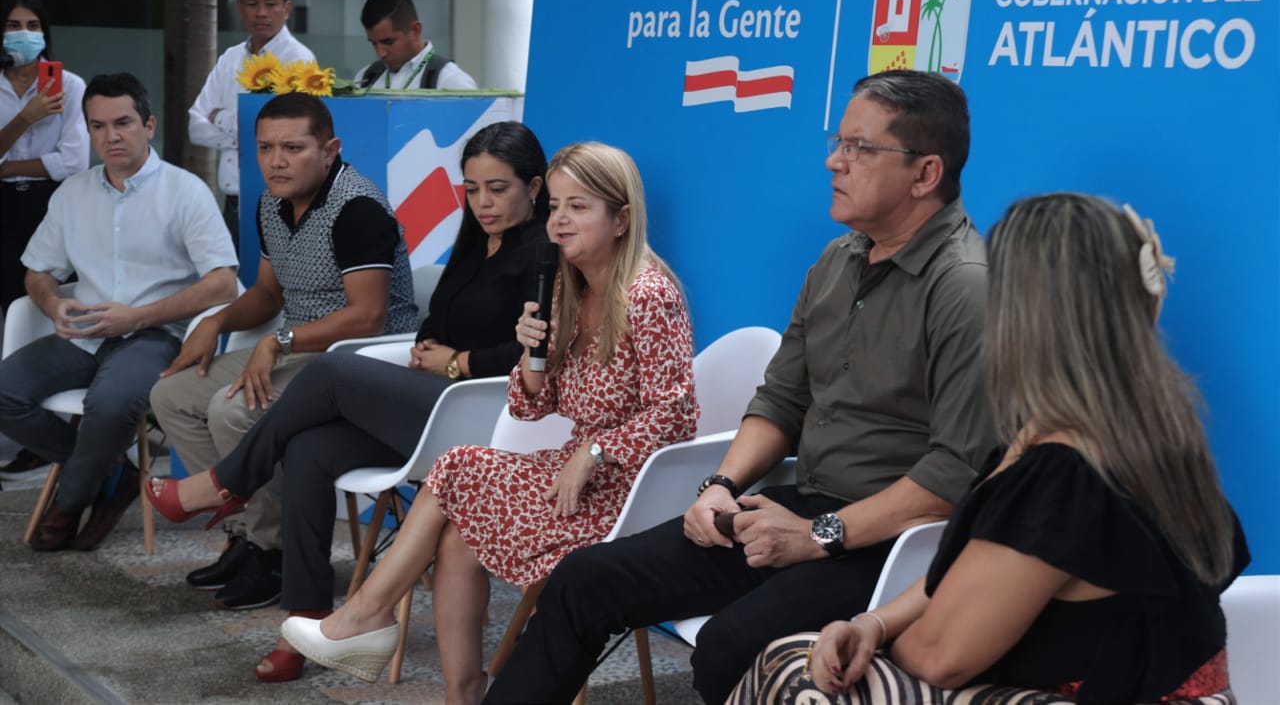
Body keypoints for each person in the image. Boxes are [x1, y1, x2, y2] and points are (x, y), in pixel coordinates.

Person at [483, 70, 996, 705]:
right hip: (795, 506)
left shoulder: (965, 287)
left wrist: (817, 536)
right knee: (584, 578)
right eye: (839, 140)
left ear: (925, 175)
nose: (834, 159)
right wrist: (719, 488)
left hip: (891, 542)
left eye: (860, 148)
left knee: (733, 643)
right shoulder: (837, 262)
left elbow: (956, 474)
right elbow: (779, 400)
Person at [727, 193, 1248, 705]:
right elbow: (968, 573)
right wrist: (874, 624)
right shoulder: (1146, 437)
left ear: (1024, 317)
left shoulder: (1064, 474)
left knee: (796, 670)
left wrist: (877, 651)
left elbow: (941, 657)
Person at [280, 141, 699, 704]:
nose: (559, 221)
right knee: (458, 537)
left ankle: (365, 617)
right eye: (554, 206)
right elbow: (530, 408)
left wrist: (594, 454)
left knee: (455, 466)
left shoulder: (648, 295)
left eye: (579, 207)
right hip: (576, 474)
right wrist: (533, 358)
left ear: (621, 218)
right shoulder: (567, 286)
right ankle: (460, 692)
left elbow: (677, 414)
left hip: (635, 489)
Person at [146, 120, 551, 682]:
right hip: (432, 400)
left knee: (335, 367)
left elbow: (538, 352)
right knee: (310, 449)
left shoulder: (545, 253)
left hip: (487, 417)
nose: (483, 202)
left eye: (498, 189)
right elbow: (437, 318)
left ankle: (225, 481)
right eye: (472, 188)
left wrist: (459, 362)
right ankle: (308, 620)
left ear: (535, 186)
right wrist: (436, 346)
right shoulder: (478, 237)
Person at [150, 91, 417, 610]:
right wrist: (216, 321)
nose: (276, 160)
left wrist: (277, 342)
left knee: (233, 409)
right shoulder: (271, 203)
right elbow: (269, 294)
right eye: (265, 147)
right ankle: (250, 537)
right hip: (298, 350)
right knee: (173, 395)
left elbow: (368, 316)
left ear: (330, 148)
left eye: (293, 147)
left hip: (363, 361)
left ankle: (271, 555)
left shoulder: (359, 209)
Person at [0, 72, 238, 551]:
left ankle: (68, 503)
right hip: (84, 331)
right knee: (4, 393)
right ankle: (112, 470)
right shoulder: (72, 194)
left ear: (148, 125)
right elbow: (37, 273)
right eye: (98, 126)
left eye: (123, 123)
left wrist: (140, 317)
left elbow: (223, 282)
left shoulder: (185, 191)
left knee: (108, 405)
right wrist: (52, 302)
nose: (111, 136)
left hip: (155, 336)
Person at [0, 0, 91, 484]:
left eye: (33, 24)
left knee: (45, 305)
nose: (25, 33)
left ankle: (45, 436)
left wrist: (6, 163)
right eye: (14, 24)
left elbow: (73, 162)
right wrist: (27, 118)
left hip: (49, 205)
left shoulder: (69, 85)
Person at [189, 0, 315, 248]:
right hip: (233, 203)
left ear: (287, 9)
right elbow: (195, 126)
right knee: (236, 289)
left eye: (270, 4)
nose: (261, 13)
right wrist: (248, 134)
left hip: (283, 202)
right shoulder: (231, 58)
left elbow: (291, 138)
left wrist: (220, 116)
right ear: (240, 8)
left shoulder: (299, 61)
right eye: (252, 4)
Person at [353, 0, 478, 91]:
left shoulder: (451, 81)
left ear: (415, 29)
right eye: (374, 43)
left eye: (388, 42)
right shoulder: (365, 77)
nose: (381, 54)